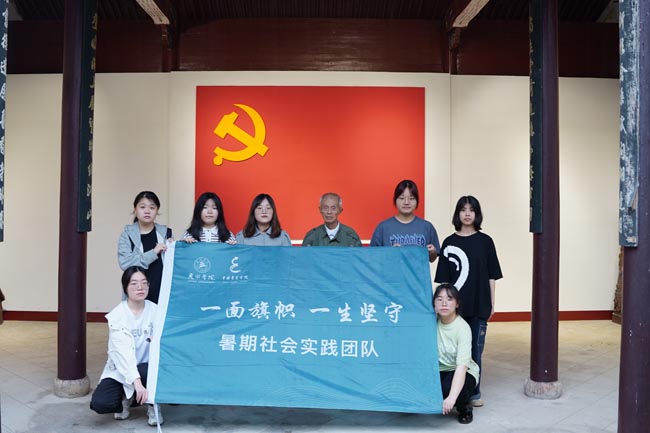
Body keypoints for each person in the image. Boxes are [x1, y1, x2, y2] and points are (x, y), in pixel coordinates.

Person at [434, 195, 502, 407]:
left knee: (475, 351)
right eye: (463, 209)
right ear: (457, 214)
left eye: (471, 210)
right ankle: (453, 389)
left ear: (477, 214)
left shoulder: (486, 241)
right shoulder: (449, 242)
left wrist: (492, 302)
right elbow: (444, 281)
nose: (467, 214)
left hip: (479, 304)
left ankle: (474, 393)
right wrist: (443, 305)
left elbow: (492, 275)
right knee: (450, 350)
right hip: (453, 309)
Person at [90, 266, 163, 426]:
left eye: (144, 283)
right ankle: (126, 398)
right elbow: (123, 355)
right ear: (125, 288)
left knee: (147, 370)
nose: (140, 287)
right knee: (101, 403)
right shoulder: (117, 315)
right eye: (134, 283)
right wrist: (137, 384)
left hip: (147, 369)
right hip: (122, 370)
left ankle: (152, 404)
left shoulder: (156, 311)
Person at [433, 282, 479, 424]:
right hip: (440, 369)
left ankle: (464, 408)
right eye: (439, 299)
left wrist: (452, 398)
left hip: (463, 370)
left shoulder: (462, 328)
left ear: (457, 303)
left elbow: (461, 367)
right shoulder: (431, 323)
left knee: (451, 389)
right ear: (434, 303)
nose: (444, 303)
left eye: (449, 299)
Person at [117, 191, 172, 304]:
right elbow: (125, 263)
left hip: (162, 292)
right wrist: (153, 252)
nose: (147, 211)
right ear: (135, 210)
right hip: (137, 293)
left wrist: (175, 248)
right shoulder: (127, 235)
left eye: (152, 207)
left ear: (157, 210)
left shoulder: (166, 233)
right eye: (142, 207)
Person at [370, 179, 440, 262]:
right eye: (401, 198)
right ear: (395, 200)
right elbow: (373, 257)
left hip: (418, 271)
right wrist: (390, 253)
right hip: (392, 270)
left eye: (411, 198)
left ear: (417, 201)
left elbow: (432, 259)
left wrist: (433, 252)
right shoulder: (383, 228)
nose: (406, 202)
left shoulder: (427, 227)